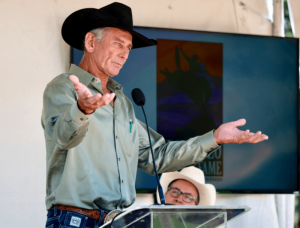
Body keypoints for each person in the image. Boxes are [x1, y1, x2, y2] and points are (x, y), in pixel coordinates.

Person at [41, 2, 268, 228]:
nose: (124, 54)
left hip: (118, 222)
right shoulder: (63, 88)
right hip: (74, 221)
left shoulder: (124, 105)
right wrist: (83, 110)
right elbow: (62, 137)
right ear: (91, 42)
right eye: (118, 43)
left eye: (128, 47)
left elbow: (158, 155)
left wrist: (215, 137)